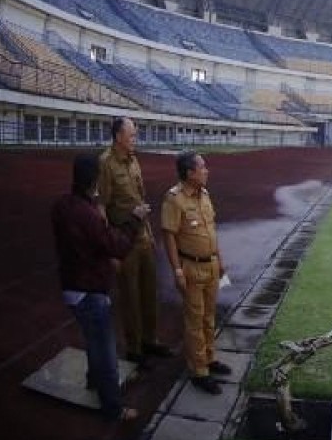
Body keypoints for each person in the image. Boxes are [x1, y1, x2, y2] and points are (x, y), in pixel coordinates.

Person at [52, 153, 141, 421]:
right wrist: (134, 221)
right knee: (106, 351)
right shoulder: (88, 214)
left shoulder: (61, 206)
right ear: (95, 179)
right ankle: (113, 408)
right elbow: (116, 246)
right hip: (89, 289)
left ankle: (93, 380)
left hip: (71, 285)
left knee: (93, 339)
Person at [97, 117, 173, 364]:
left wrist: (149, 234)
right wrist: (111, 251)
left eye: (135, 136)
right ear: (118, 137)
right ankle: (134, 348)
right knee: (130, 296)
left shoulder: (134, 161)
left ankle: (151, 340)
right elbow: (101, 208)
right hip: (123, 241)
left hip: (142, 237)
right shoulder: (105, 164)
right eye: (132, 136)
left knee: (150, 292)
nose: (135, 140)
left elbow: (141, 200)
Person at [161, 150, 231, 395]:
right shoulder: (174, 199)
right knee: (194, 321)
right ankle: (199, 371)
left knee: (209, 317)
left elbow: (211, 231)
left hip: (211, 265)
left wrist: (220, 260)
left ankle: (210, 359)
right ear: (190, 173)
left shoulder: (205, 195)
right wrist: (177, 270)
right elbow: (169, 236)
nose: (206, 170)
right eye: (202, 167)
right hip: (191, 267)